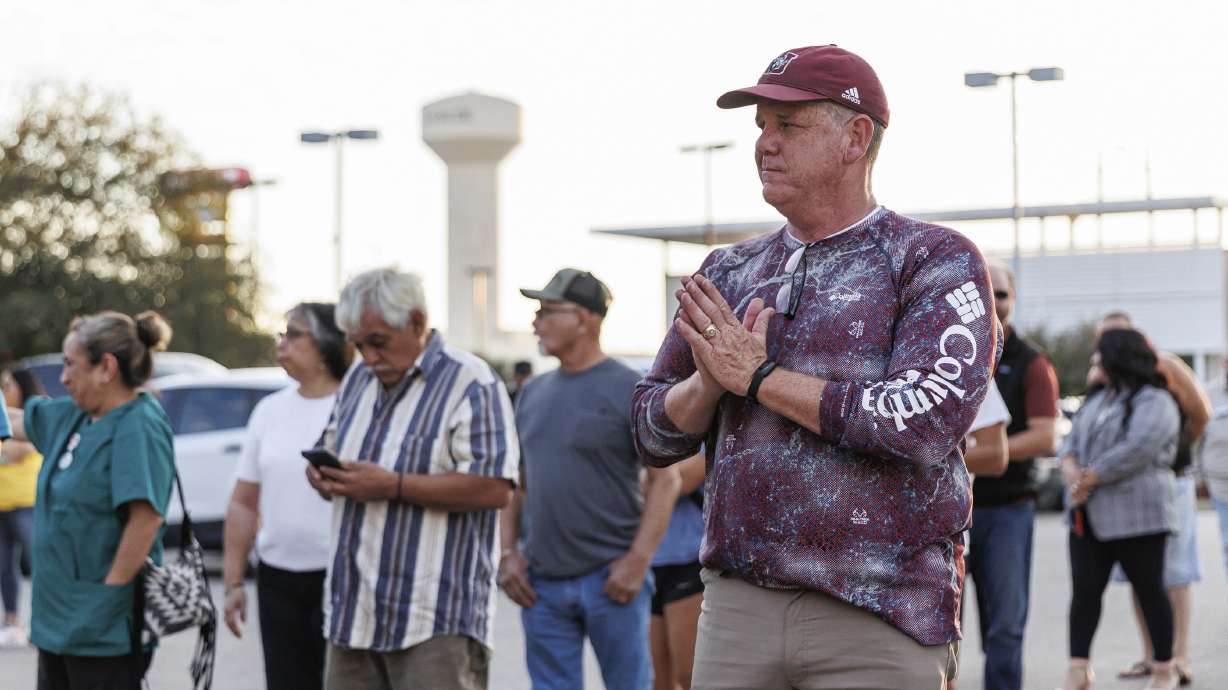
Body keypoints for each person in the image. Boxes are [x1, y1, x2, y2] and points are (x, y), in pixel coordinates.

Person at [631, 45, 997, 689]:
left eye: (788, 127)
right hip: (739, 609)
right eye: (761, 127)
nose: (765, 145)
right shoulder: (728, 272)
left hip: (881, 610)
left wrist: (760, 380)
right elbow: (647, 431)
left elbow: (925, 419)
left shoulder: (932, 259)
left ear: (856, 137)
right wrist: (707, 384)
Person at [304, 268, 519, 690]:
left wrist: (393, 486)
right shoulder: (357, 381)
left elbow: (495, 487)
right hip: (354, 614)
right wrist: (322, 476)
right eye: (359, 345)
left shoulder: (471, 382)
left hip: (434, 622)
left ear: (417, 322)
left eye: (378, 342)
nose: (367, 357)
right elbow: (330, 445)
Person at [498, 268, 681, 690]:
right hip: (540, 585)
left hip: (611, 582)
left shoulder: (631, 388)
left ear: (584, 319)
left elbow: (665, 480)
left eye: (547, 311)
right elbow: (517, 483)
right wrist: (508, 554)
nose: (535, 322)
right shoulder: (532, 392)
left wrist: (637, 562)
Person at [4, 311, 175, 690]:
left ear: (106, 368)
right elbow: (15, 421)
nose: (62, 378)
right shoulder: (77, 416)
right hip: (58, 624)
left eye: (70, 365)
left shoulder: (138, 424)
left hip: (101, 631)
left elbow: (145, 521)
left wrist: (108, 599)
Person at [222, 303, 353, 690]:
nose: (282, 343)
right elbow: (243, 502)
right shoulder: (270, 410)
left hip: (342, 577)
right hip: (278, 579)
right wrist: (232, 583)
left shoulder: (358, 407)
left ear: (328, 342)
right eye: (282, 333)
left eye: (293, 334)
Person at [1058, 328, 1181, 690]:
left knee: (1150, 591)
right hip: (1087, 517)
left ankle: (1164, 669)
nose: (1094, 362)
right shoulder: (1096, 401)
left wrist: (1090, 476)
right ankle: (1078, 669)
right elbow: (1069, 442)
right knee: (1084, 594)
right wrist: (1069, 468)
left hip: (1140, 517)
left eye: (1099, 356)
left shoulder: (1155, 399)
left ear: (1118, 357)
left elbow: (1139, 447)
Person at [1093, 312, 1210, 686]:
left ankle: (1180, 657)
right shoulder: (1109, 376)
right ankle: (1150, 655)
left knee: (1174, 575)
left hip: (1169, 482)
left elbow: (1201, 414)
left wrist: (1175, 448)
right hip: (1123, 487)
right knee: (1140, 576)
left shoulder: (1167, 366)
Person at [965, 263, 1059, 690]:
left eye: (1001, 293)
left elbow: (1045, 436)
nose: (994, 300)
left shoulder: (1032, 362)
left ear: (1013, 298)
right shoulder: (955, 351)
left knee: (1004, 625)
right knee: (934, 623)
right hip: (952, 509)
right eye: (986, 291)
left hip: (1006, 509)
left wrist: (984, 452)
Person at [648, 453, 705, 690]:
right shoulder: (639, 422)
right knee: (657, 682)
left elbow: (681, 480)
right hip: (647, 565)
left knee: (690, 678)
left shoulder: (706, 422)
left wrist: (652, 481)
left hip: (690, 562)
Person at [0, 368, 47, 647]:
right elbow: (11, 451)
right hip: (1, 503)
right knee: (4, 567)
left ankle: (44, 619)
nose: (4, 388)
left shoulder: (35, 413)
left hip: (27, 502)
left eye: (8, 384)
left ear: (22, 386)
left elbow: (24, 451)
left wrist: (7, 450)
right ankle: (12, 620)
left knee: (37, 563)